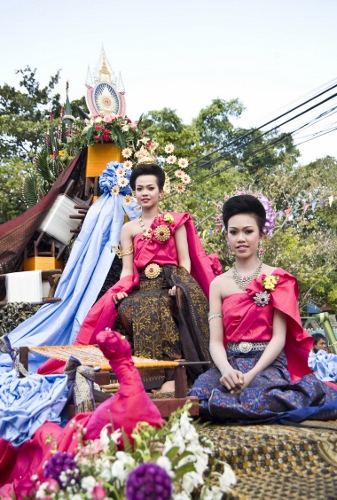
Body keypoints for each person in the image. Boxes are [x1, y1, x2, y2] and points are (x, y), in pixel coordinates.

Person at [39, 158, 218, 392]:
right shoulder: (128, 229)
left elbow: (184, 261)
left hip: (171, 281)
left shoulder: (176, 222)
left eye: (150, 188)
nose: (145, 193)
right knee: (129, 307)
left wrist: (179, 285)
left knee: (159, 304)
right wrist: (122, 290)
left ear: (161, 191)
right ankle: (150, 378)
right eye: (140, 189)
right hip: (141, 285)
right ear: (133, 192)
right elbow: (127, 268)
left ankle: (173, 374)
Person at [189, 193, 337, 423]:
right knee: (197, 399)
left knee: (255, 399)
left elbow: (279, 337)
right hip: (230, 362)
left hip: (267, 363)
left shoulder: (277, 278)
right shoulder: (218, 284)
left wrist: (249, 375)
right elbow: (216, 341)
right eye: (233, 232)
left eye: (248, 231)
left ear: (262, 234)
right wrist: (227, 371)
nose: (241, 238)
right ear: (226, 235)